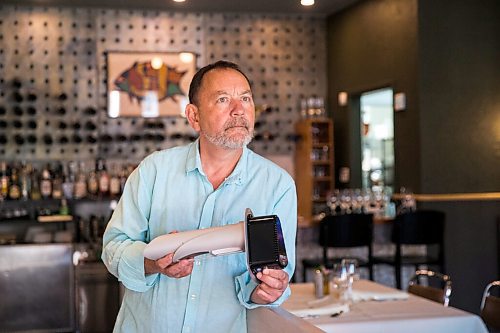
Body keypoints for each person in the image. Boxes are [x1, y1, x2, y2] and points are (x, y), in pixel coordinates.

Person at [102, 60, 297, 333]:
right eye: (222, 99)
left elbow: (275, 273)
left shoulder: (278, 186)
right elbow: (113, 248)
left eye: (245, 98)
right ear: (194, 116)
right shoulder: (154, 170)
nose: (239, 110)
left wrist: (268, 289)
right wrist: (152, 264)